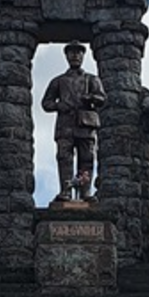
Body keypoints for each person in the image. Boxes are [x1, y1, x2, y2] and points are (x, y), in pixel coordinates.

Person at [41, 41, 106, 201]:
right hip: (65, 126)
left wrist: (90, 98)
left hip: (86, 125)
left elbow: (102, 98)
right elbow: (46, 103)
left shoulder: (92, 79)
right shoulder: (58, 81)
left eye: (78, 53)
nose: (75, 56)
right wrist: (59, 106)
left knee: (87, 158)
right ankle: (66, 191)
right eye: (72, 53)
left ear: (83, 56)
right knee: (64, 158)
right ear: (67, 56)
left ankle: (85, 192)